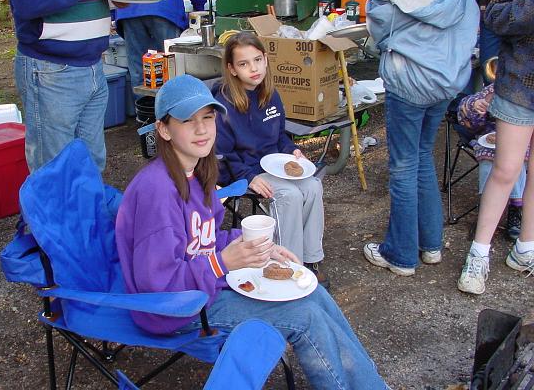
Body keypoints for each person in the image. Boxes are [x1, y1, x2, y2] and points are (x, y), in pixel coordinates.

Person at [115, 74, 388, 390]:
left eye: (207, 117)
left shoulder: (197, 172)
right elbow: (159, 286)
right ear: (164, 129)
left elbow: (202, 239)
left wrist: (256, 245)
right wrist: (221, 264)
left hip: (203, 288)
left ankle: (372, 384)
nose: (202, 129)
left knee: (314, 291)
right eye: (188, 121)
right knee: (303, 316)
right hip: (176, 311)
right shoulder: (157, 191)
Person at [363, 0, 479, 276]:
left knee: (403, 165)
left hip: (410, 78)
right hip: (446, 78)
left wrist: (385, 41)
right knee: (423, 156)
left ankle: (400, 255)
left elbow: (381, 20)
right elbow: (467, 15)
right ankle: (430, 245)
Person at [0, 0, 134, 172]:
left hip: (93, 68)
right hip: (52, 71)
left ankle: (86, 214)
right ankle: (51, 215)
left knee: (91, 164)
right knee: (55, 170)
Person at [213, 32, 328, 288]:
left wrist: (292, 151)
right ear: (231, 69)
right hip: (241, 172)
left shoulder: (270, 94)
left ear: (266, 59)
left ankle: (310, 259)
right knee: (289, 195)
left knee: (312, 186)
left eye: (257, 60)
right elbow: (222, 156)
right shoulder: (224, 105)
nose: (253, 68)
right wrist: (249, 178)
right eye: (243, 64)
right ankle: (287, 264)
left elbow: (280, 137)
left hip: (272, 165)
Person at [457, 0, 534, 295]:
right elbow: (497, 17)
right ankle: (478, 253)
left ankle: (525, 249)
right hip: (520, 86)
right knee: (506, 170)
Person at [457, 84, 527, 241]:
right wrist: (475, 106)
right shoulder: (495, 88)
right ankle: (487, 211)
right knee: (489, 157)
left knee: (516, 158)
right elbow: (467, 118)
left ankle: (516, 208)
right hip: (488, 140)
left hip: (523, 143)